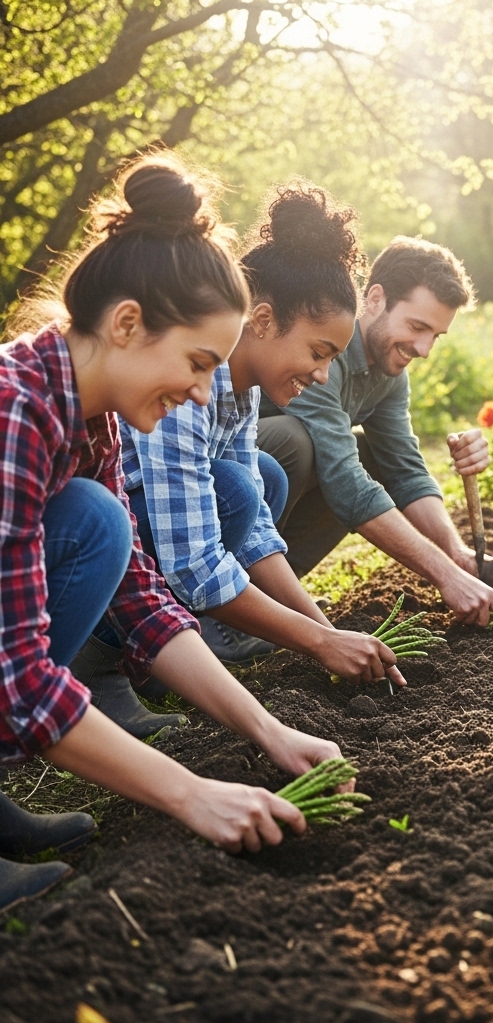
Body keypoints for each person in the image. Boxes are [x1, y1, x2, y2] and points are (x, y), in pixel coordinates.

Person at [0, 156, 342, 913]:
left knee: (98, 522)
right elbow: (18, 682)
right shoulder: (12, 412)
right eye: (195, 363)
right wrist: (193, 796)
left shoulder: (92, 422)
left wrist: (270, 732)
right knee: (96, 518)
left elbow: (144, 603)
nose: (200, 390)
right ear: (127, 324)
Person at [105, 182, 404, 685]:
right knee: (238, 488)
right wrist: (321, 642)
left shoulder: (241, 390)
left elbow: (258, 532)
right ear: (263, 320)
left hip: (142, 533)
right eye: (318, 352)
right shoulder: (186, 380)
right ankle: (106, 662)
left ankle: (176, 636)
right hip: (96, 542)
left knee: (259, 481)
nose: (324, 375)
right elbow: (195, 563)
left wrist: (325, 630)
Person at [258, 236, 493, 627]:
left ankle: (276, 594)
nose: (424, 349)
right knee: (296, 441)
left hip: (267, 498)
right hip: (226, 473)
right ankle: (237, 602)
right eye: (417, 326)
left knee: (371, 455)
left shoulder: (390, 372)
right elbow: (344, 480)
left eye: (436, 336)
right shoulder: (325, 354)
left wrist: (456, 553)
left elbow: (405, 469)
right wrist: (444, 575)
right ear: (374, 299)